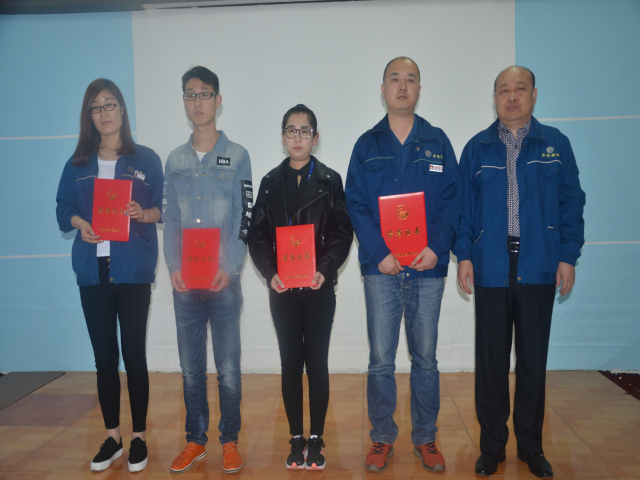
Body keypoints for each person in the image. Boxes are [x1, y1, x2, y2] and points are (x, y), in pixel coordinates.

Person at [454, 66, 585, 478]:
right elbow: (464, 209)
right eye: (504, 91)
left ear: (534, 95)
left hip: (539, 264)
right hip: (491, 265)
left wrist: (568, 255)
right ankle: (491, 447)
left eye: (520, 89)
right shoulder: (477, 148)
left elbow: (571, 203)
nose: (512, 97)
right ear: (494, 98)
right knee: (491, 363)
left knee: (532, 362)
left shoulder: (556, 145)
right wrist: (464, 255)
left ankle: (531, 446)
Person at [345, 57, 462, 472]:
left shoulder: (438, 141)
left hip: (428, 269)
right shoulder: (366, 145)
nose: (402, 86)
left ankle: (426, 438)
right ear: (383, 89)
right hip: (381, 270)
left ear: (419, 90)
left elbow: (453, 200)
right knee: (381, 359)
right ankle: (381, 438)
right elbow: (356, 203)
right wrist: (380, 253)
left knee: (425, 358)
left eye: (410, 79)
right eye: (394, 79)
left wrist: (438, 247)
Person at [56, 79, 163, 473]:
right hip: (93, 271)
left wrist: (142, 213)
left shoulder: (146, 159)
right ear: (89, 115)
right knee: (104, 358)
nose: (103, 113)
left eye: (110, 104)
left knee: (134, 355)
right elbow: (62, 208)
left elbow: (161, 208)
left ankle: (139, 438)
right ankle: (113, 437)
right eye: (96, 107)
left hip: (132, 269)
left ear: (121, 110)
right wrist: (80, 223)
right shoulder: (77, 163)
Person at [247, 104, 353, 470]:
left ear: (315, 138)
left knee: (317, 362)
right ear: (282, 137)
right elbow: (257, 234)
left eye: (304, 131)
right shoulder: (269, 183)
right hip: (283, 290)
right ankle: (296, 437)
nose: (297, 137)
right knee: (291, 362)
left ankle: (317, 437)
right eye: (291, 131)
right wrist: (270, 271)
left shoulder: (330, 180)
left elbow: (342, 232)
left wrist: (324, 269)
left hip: (318, 287)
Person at [163, 66, 252, 474]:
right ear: (184, 101)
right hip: (186, 283)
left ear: (218, 100)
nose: (197, 102)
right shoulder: (175, 160)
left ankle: (229, 440)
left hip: (223, 282)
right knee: (190, 368)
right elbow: (171, 219)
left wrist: (230, 266)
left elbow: (244, 217)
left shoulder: (238, 156)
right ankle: (195, 440)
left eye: (204, 94)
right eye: (190, 94)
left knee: (228, 368)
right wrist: (173, 267)